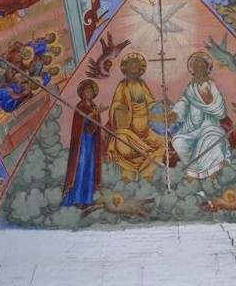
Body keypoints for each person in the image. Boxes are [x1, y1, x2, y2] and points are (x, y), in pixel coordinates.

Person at [169, 52, 232, 180]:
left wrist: (210, 102)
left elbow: (221, 110)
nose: (197, 68)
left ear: (206, 68)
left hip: (208, 125)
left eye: (200, 66)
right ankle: (194, 171)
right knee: (178, 142)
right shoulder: (190, 87)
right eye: (195, 66)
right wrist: (176, 113)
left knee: (211, 139)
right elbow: (184, 102)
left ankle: (212, 170)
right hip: (191, 127)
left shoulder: (211, 85)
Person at [106, 52, 166, 182]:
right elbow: (115, 104)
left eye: (136, 65)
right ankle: (128, 173)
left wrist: (160, 108)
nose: (134, 67)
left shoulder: (141, 84)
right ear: (126, 68)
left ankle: (146, 171)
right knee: (123, 148)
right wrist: (120, 107)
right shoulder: (122, 85)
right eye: (131, 65)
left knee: (164, 143)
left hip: (147, 127)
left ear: (140, 69)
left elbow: (150, 103)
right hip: (128, 128)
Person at [61, 79, 108, 207]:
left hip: (91, 142)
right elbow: (79, 124)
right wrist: (93, 114)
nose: (89, 94)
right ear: (82, 93)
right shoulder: (80, 106)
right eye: (87, 92)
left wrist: (95, 114)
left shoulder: (93, 106)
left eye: (91, 92)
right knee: (80, 168)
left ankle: (86, 199)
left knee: (89, 168)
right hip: (81, 144)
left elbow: (95, 125)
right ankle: (75, 199)